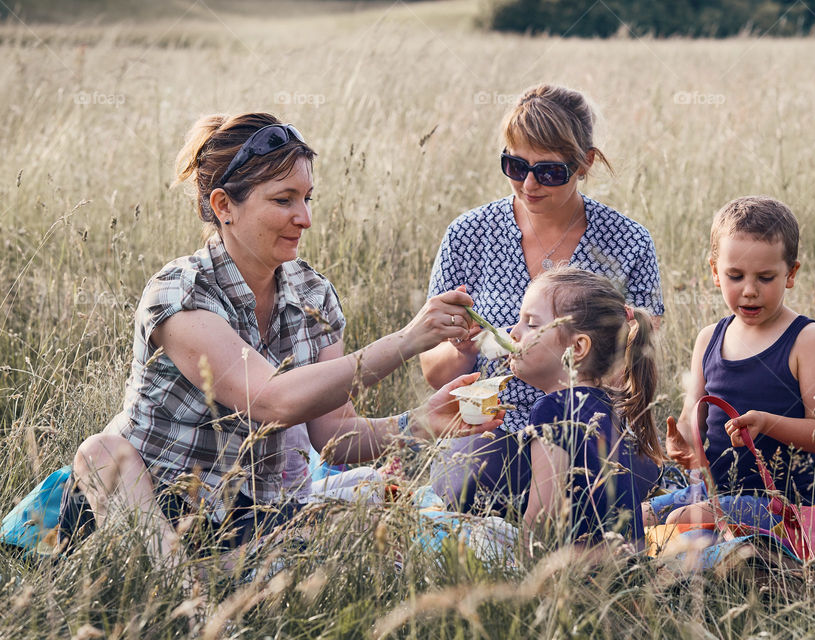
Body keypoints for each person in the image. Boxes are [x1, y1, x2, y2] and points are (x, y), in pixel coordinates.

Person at [70, 113, 500, 564]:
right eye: (284, 200)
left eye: (307, 198)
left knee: (367, 527)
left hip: (254, 518)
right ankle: (176, 588)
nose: (305, 218)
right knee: (102, 451)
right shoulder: (181, 293)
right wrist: (407, 340)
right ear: (223, 206)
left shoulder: (313, 294)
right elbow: (270, 399)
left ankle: (212, 579)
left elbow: (333, 437)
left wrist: (420, 424)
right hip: (152, 506)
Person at [420, 84, 664, 513]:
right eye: (514, 165)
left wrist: (565, 385)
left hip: (588, 427)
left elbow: (634, 360)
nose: (529, 184)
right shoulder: (468, 235)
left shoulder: (628, 241)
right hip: (493, 427)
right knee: (468, 487)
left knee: (612, 490)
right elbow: (437, 374)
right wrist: (461, 347)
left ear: (585, 163)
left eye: (549, 172)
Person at [646, 195, 815, 530]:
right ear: (715, 272)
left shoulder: (807, 339)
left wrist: (766, 423)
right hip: (712, 491)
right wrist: (681, 440)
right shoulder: (709, 339)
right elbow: (694, 415)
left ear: (791, 274)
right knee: (640, 516)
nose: (749, 290)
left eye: (765, 278)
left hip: (781, 501)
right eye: (735, 276)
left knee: (681, 521)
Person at [508, 267, 663, 544]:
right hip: (628, 569)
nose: (513, 332)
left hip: (581, 569)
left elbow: (544, 514)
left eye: (530, 323)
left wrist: (518, 566)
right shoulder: (612, 406)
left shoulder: (552, 409)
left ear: (577, 348)